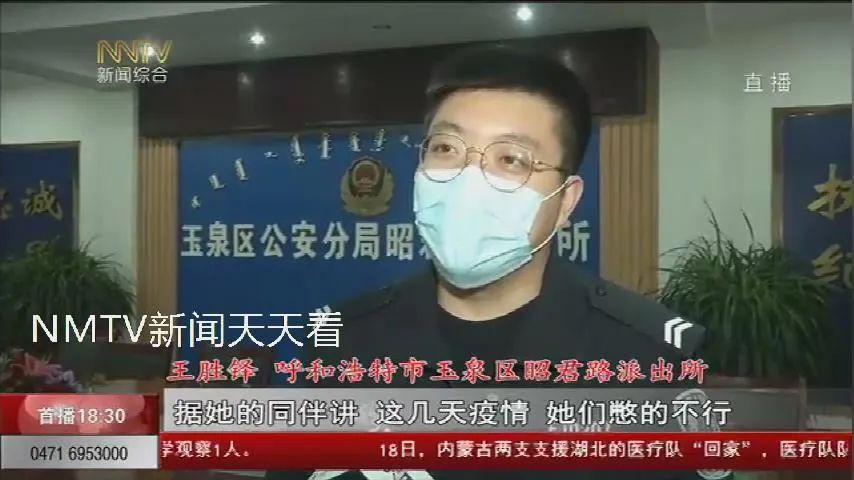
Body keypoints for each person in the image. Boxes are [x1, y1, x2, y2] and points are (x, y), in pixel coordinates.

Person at [267, 44, 709, 480]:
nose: (467, 181)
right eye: (446, 148)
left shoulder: (649, 362)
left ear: (565, 201)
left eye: (511, 159)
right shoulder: (341, 342)